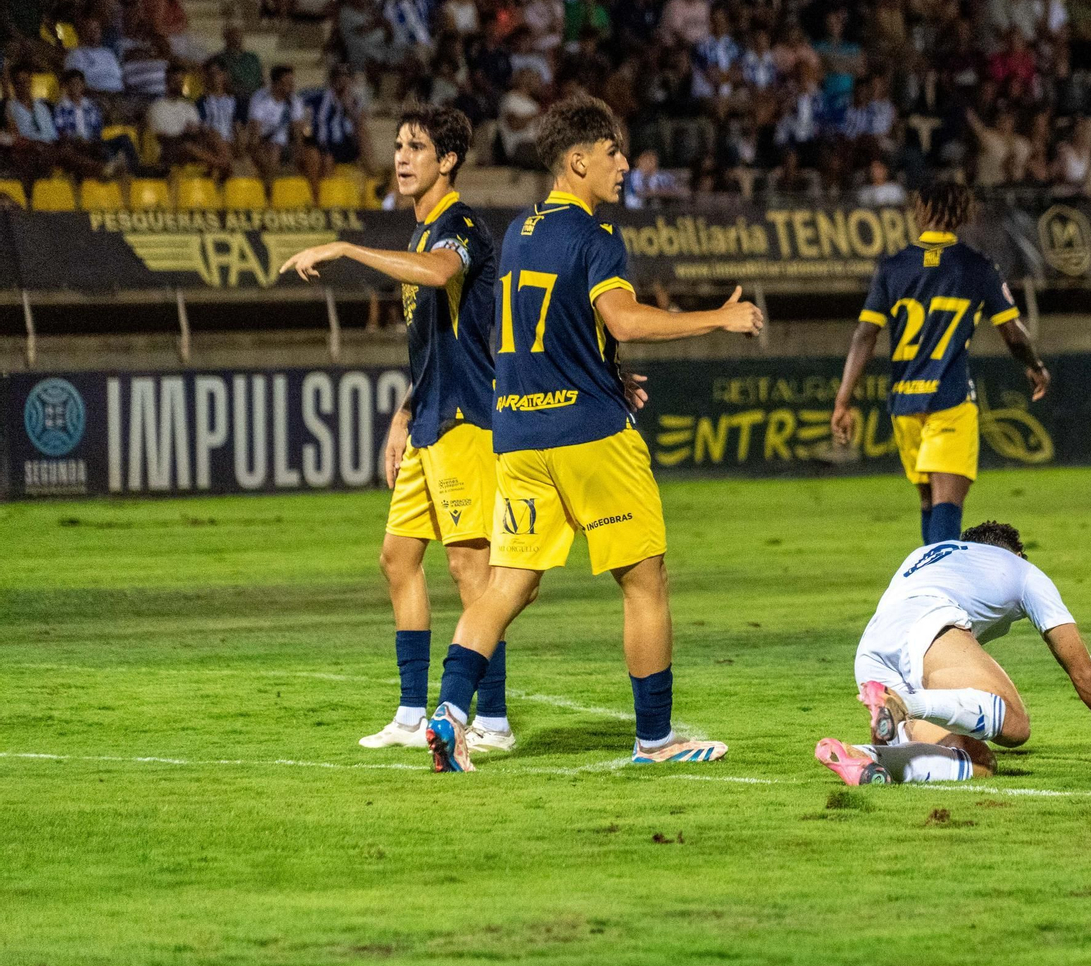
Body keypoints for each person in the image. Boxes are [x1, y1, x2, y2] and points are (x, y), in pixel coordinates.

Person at [420, 95, 763, 773]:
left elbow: (551, 327)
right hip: (589, 435)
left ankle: (451, 713)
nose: (625, 165)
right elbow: (623, 318)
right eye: (613, 154)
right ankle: (657, 739)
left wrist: (607, 367)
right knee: (644, 580)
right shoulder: (596, 238)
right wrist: (716, 320)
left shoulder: (518, 231)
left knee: (505, 584)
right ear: (577, 160)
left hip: (517, 434)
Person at [277, 107, 511, 754]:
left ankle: (489, 719)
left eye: (418, 147)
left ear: (450, 161)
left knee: (471, 569)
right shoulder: (418, 236)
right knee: (398, 558)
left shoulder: (459, 226)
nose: (403, 157)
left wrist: (349, 248)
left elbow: (440, 274)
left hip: (467, 419)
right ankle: (412, 714)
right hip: (430, 418)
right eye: (400, 146)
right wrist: (404, 412)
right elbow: (433, 343)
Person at [814, 520, 1091, 786]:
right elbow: (1082, 668)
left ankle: (863, 757)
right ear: (1016, 552)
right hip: (928, 627)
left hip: (871, 651)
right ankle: (903, 705)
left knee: (977, 762)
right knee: (1015, 726)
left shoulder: (923, 555)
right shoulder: (1023, 571)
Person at [831, 182, 1050, 547]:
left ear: (920, 209)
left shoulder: (892, 267)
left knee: (929, 503)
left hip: (904, 404)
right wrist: (1035, 365)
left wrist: (843, 399)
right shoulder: (976, 266)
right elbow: (1012, 332)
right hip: (948, 400)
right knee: (947, 505)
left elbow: (864, 335)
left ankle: (928, 589)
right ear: (963, 212)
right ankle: (940, 591)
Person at [246, 64, 313, 179]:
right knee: (272, 151)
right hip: (262, 141)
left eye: (292, 81)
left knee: (309, 155)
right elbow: (255, 129)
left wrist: (299, 151)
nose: (292, 85)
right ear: (276, 83)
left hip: (284, 143)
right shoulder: (260, 98)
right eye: (288, 82)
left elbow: (298, 130)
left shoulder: (294, 101)